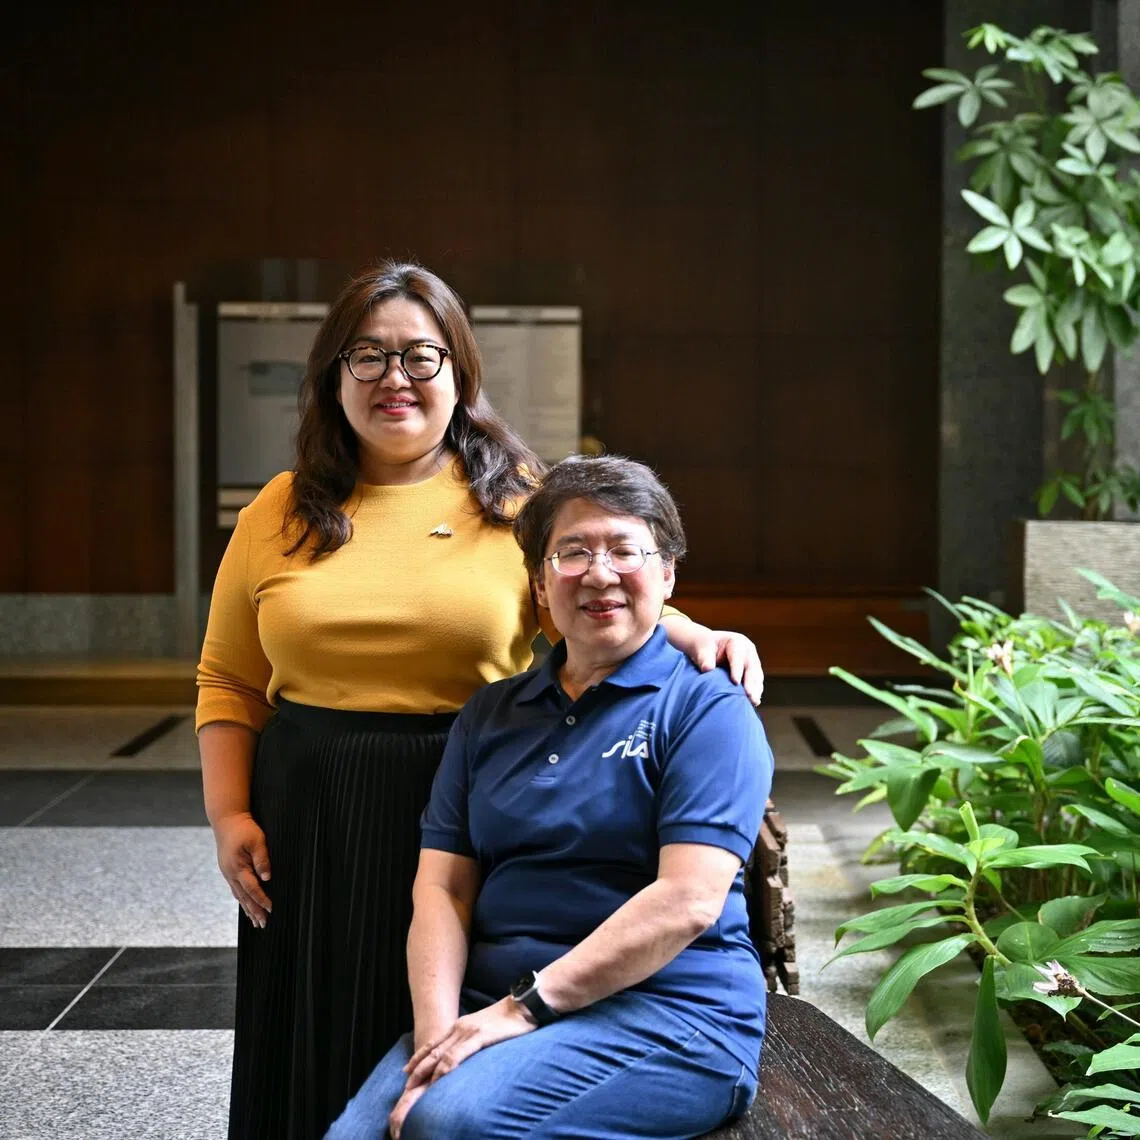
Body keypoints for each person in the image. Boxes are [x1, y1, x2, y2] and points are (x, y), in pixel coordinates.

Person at [196, 261, 766, 1139]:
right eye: (368, 357)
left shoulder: (512, 495)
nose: (396, 379)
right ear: (332, 376)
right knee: (314, 1018)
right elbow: (229, 677)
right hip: (312, 798)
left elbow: (596, 573)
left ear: (459, 374)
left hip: (467, 780)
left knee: (446, 999)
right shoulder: (280, 508)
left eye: (422, 357)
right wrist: (229, 810)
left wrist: (698, 636)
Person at [327, 454, 774, 1140]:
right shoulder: (490, 715)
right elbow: (442, 891)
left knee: (448, 1127)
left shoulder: (708, 708)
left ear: (668, 574)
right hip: (495, 1005)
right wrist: (437, 1043)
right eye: (572, 553)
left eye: (626, 550)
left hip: (671, 1014)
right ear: (540, 581)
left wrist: (519, 1012)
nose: (599, 573)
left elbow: (688, 901)